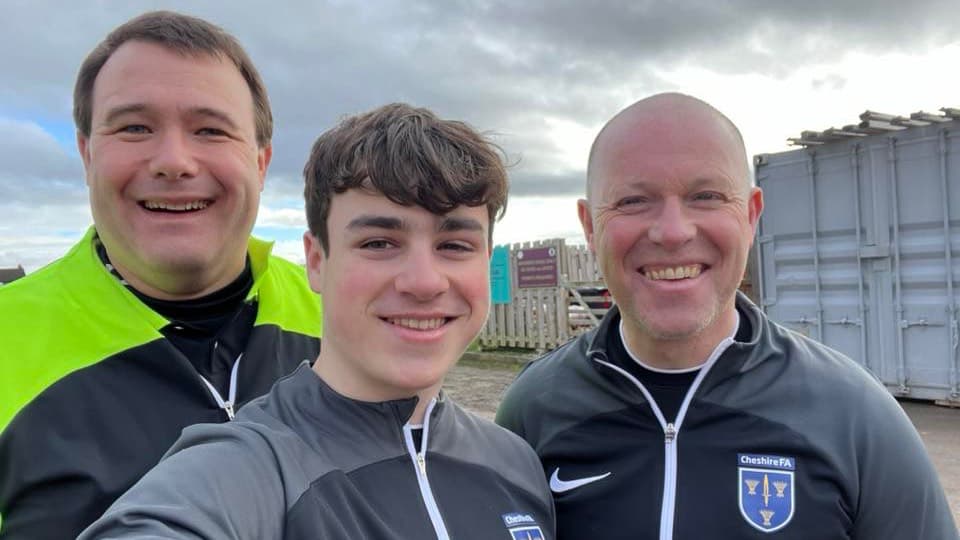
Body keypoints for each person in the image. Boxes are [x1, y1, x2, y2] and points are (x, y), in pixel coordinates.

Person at [78, 103, 555, 539]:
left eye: (454, 246)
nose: (424, 282)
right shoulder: (247, 467)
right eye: (378, 243)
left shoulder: (517, 465)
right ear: (317, 261)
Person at [496, 93, 959, 539]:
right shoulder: (533, 410)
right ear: (589, 226)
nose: (673, 232)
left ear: (751, 215)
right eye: (633, 201)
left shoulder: (856, 414)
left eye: (706, 196)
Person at [0, 11, 322, 539]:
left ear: (261, 163)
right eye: (134, 128)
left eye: (210, 130)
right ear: (86, 154)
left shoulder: (343, 317)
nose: (174, 161)